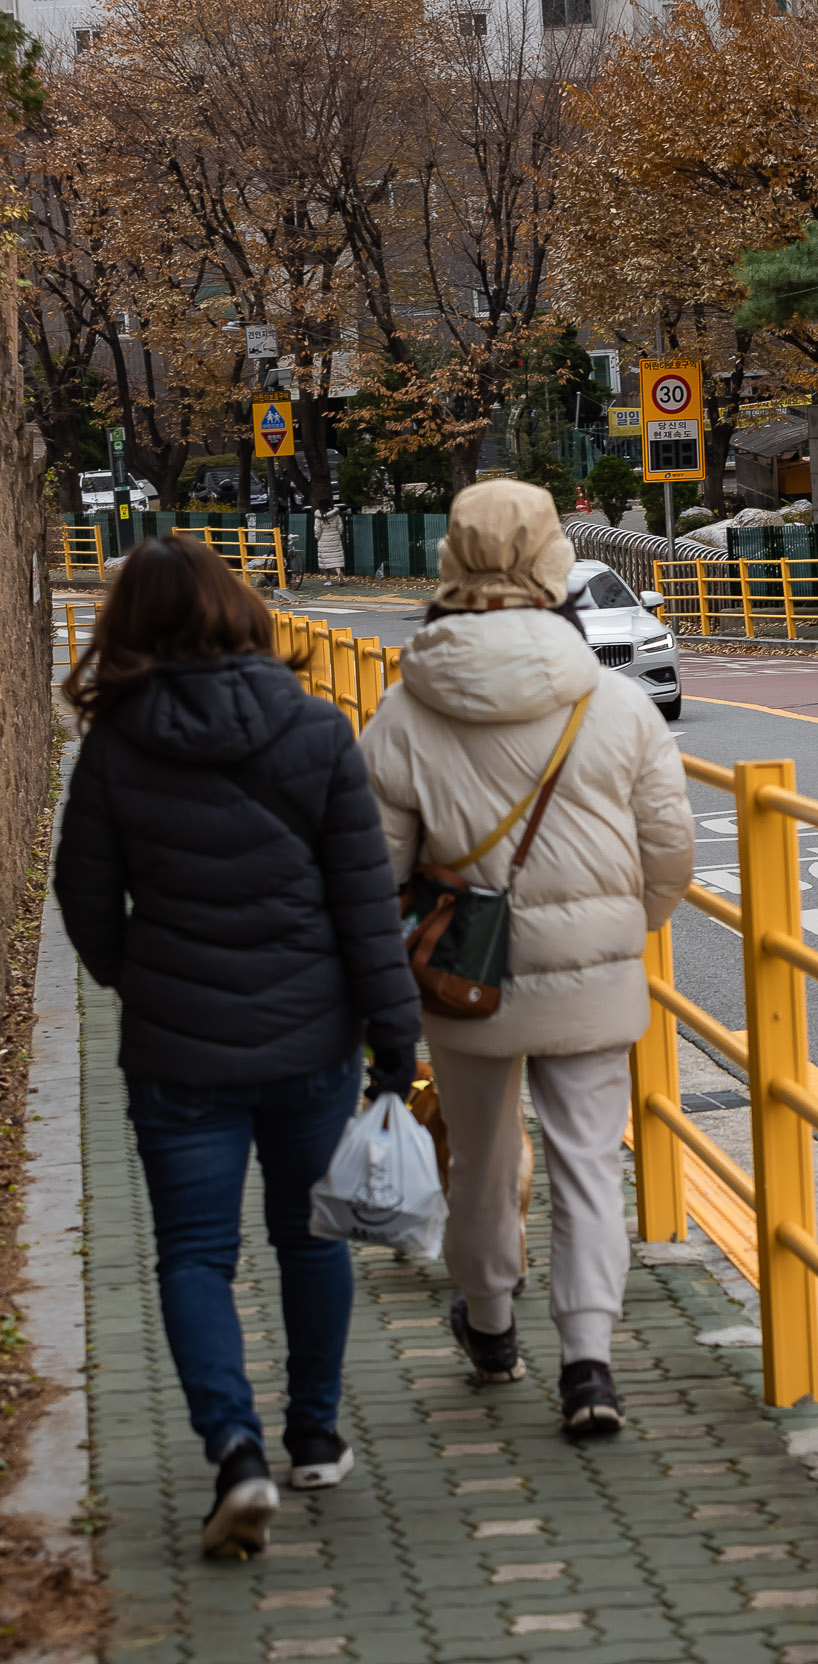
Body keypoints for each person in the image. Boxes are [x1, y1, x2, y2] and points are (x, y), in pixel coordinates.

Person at [55, 537, 419, 1559]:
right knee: (311, 1236)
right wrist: (395, 1036)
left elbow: (83, 897)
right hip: (313, 1038)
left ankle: (235, 1451)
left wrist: (141, 977)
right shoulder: (314, 730)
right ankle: (314, 1433)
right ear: (240, 612)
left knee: (194, 1255)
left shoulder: (118, 745)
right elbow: (364, 905)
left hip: (178, 1050)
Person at [359, 480, 693, 1435]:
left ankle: (492, 1325)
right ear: (553, 565)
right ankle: (588, 1365)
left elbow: (372, 868)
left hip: (465, 974)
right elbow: (668, 857)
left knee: (479, 1156)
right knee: (590, 1161)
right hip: (593, 971)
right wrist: (621, 929)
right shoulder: (616, 704)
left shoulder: (406, 710)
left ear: (451, 566)